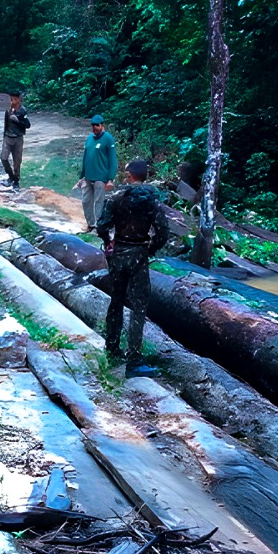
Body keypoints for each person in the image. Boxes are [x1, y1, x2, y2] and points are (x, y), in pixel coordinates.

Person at [97, 159, 171, 378]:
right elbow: (163, 232)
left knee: (116, 301)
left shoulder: (117, 198)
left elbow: (102, 225)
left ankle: (111, 349)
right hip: (139, 255)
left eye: (126, 174)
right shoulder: (152, 202)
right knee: (138, 307)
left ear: (130, 176)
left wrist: (109, 241)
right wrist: (150, 249)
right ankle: (134, 359)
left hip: (118, 252)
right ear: (145, 177)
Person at [74, 115, 118, 231]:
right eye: (93, 126)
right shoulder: (89, 138)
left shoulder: (108, 138)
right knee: (86, 201)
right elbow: (85, 157)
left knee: (99, 203)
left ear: (102, 125)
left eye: (97, 125)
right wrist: (82, 176)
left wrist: (110, 179)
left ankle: (99, 227)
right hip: (88, 177)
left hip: (101, 177)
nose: (95, 128)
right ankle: (91, 224)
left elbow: (113, 159)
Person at [0, 92, 31, 189]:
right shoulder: (8, 110)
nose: (12, 102)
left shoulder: (22, 110)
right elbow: (6, 123)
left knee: (17, 161)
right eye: (11, 99)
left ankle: (16, 181)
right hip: (8, 137)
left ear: (19, 99)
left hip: (18, 138)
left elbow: (27, 125)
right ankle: (10, 176)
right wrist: (4, 135)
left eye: (14, 99)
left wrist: (17, 120)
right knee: (3, 158)